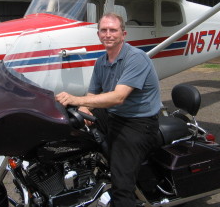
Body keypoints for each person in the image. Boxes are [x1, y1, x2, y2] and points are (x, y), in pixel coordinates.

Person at [56, 13, 162, 207]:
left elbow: (118, 97)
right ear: (98, 34)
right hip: (113, 115)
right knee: (69, 125)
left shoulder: (136, 58)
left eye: (113, 30)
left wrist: (76, 99)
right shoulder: (101, 62)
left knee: (121, 186)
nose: (108, 34)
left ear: (124, 34)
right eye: (104, 30)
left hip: (138, 122)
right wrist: (82, 108)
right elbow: (92, 95)